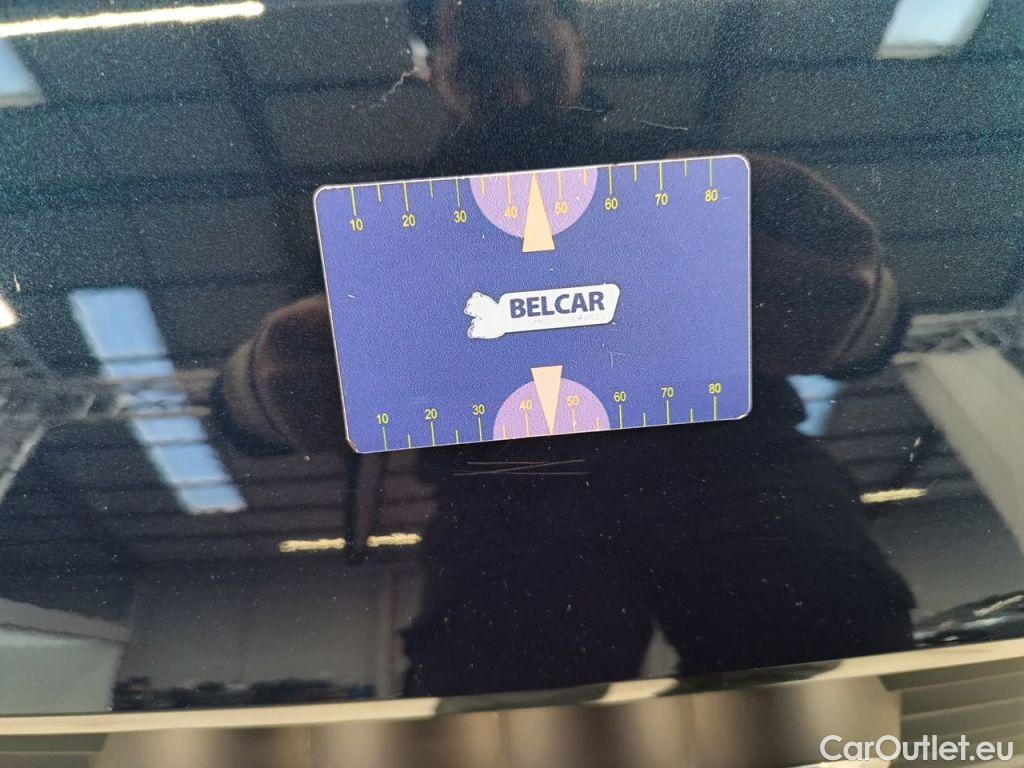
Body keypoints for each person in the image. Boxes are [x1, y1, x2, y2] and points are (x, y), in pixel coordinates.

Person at [212, 0, 914, 697]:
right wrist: (261, 386)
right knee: (826, 697)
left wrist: (854, 304)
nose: (500, 35)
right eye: (468, 38)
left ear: (577, 39)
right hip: (558, 496)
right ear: (431, 70)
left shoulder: (697, 172)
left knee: (821, 694)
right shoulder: (374, 226)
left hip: (696, 472)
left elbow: (865, 322)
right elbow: (263, 382)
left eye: (530, 19)